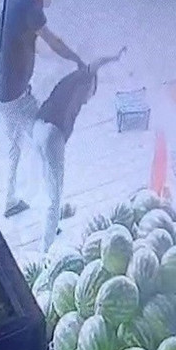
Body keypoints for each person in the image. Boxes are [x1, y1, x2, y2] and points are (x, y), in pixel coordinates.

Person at [0, 0, 84, 219]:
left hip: (4, 91)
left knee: (14, 148)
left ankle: (10, 199)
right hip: (17, 97)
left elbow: (28, 43)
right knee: (48, 146)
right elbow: (53, 42)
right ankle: (54, 209)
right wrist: (76, 59)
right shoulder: (30, 8)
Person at [32, 49, 124, 251]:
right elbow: (95, 65)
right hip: (52, 134)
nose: (89, 99)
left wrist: (113, 58)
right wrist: (113, 58)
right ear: (90, 85)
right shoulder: (82, 81)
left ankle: (50, 226)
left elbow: (96, 62)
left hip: (38, 127)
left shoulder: (71, 80)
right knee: (55, 195)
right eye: (92, 93)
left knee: (46, 182)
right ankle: (46, 247)